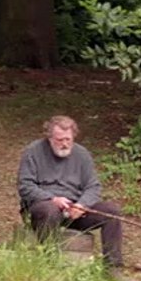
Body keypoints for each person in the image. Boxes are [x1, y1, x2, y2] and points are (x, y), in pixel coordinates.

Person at [16, 115, 126, 272]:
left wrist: (82, 204)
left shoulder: (82, 154)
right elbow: (25, 186)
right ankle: (51, 265)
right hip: (43, 209)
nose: (64, 144)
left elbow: (93, 186)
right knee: (49, 210)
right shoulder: (33, 151)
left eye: (68, 139)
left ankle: (113, 269)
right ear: (49, 137)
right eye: (59, 140)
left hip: (74, 210)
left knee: (111, 212)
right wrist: (52, 199)